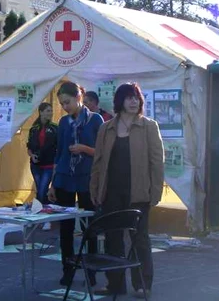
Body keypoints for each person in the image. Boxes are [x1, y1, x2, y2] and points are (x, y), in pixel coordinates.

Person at [89, 82, 164, 299]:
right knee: (113, 239)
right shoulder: (106, 128)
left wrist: (156, 192)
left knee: (139, 239)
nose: (133, 101)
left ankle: (142, 284)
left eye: (136, 97)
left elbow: (157, 163)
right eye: (129, 97)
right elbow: (98, 162)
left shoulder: (149, 126)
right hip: (112, 192)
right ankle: (115, 284)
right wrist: (94, 188)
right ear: (119, 101)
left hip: (139, 192)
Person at [48, 81, 104, 286]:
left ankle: (91, 272)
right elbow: (60, 153)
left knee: (90, 227)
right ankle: (68, 270)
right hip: (64, 177)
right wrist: (53, 183)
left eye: (68, 102)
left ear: (79, 97)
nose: (65, 106)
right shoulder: (63, 123)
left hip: (87, 178)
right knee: (66, 227)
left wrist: (83, 148)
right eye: (62, 104)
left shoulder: (95, 120)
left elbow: (102, 152)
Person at [27, 102, 57, 230]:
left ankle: (44, 218)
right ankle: (39, 215)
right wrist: (32, 155)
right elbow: (28, 146)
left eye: (51, 111)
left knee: (43, 189)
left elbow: (58, 146)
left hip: (49, 164)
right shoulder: (34, 128)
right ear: (41, 112)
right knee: (40, 190)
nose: (50, 113)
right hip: (35, 164)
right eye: (47, 111)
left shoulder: (55, 128)